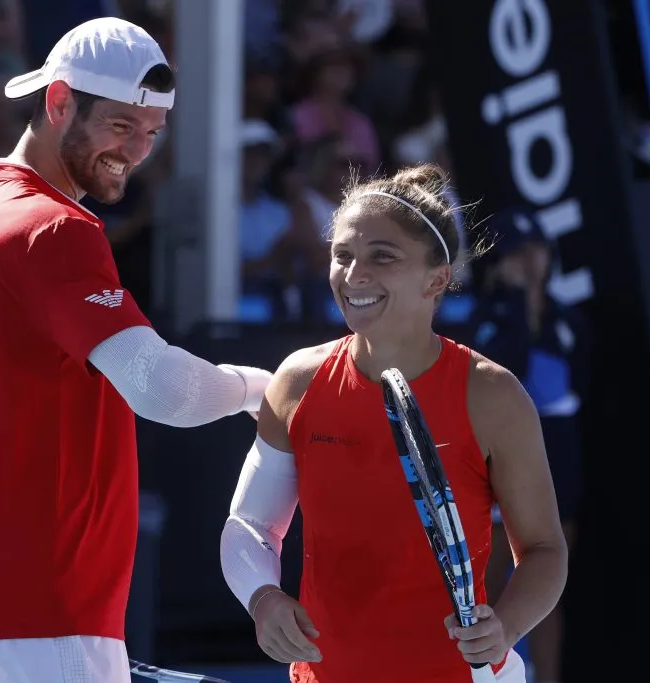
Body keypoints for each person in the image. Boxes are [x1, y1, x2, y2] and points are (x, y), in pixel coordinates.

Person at [0, 17, 273, 683]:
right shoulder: (53, 228)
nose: (138, 150)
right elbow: (163, 388)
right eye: (122, 126)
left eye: (151, 132)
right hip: (45, 608)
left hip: (2, 603)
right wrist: (269, 388)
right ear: (59, 103)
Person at [219, 164, 568, 683]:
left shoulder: (492, 395)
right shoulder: (297, 381)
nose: (354, 274)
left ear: (438, 279)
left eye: (383, 257)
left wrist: (508, 625)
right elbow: (250, 527)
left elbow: (544, 550)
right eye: (342, 255)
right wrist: (263, 597)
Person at [471, 208, 588, 683]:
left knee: (547, 586)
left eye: (535, 249)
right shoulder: (487, 318)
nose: (528, 261)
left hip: (561, 460)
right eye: (515, 253)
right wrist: (519, 301)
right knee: (492, 589)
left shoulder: (570, 321)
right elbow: (508, 365)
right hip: (503, 462)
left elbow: (584, 382)